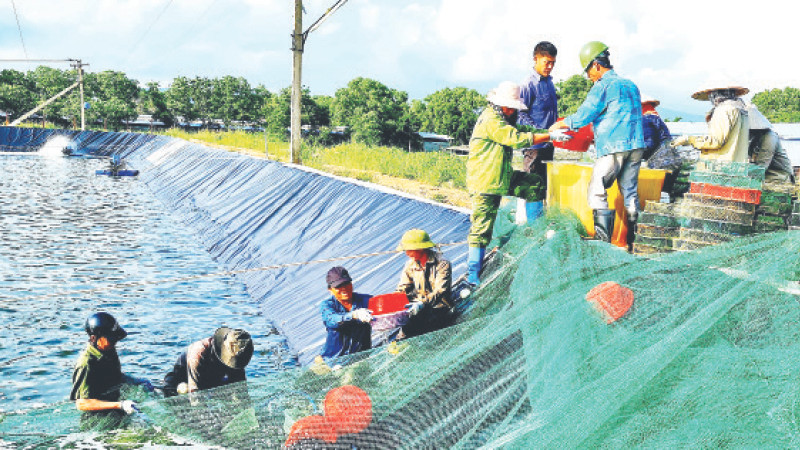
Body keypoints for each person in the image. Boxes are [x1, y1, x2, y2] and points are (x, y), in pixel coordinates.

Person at [466, 81, 564, 285]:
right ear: (498, 104)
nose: (512, 111)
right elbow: (515, 138)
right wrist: (548, 135)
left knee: (533, 183)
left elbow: (522, 128)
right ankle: (473, 274)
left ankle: (536, 233)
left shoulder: (504, 118)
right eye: (509, 107)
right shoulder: (491, 120)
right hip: (485, 182)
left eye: (513, 108)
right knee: (482, 227)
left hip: (501, 176)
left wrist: (548, 132)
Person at [550, 41, 645, 249]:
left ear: (596, 65)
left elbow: (584, 115)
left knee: (597, 190)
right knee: (629, 192)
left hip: (613, 146)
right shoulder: (631, 85)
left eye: (588, 72)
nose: (588, 77)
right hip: (636, 145)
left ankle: (603, 244)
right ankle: (633, 243)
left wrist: (560, 123)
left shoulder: (603, 85)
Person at [71, 312, 147, 428]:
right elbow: (82, 403)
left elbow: (114, 376)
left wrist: (135, 381)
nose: (115, 342)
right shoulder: (86, 363)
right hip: (95, 422)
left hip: (116, 412)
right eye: (111, 339)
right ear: (93, 338)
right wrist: (119, 405)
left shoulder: (108, 350)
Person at [516, 41, 559, 224]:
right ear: (536, 59)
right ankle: (532, 227)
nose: (549, 67)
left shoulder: (549, 83)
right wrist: (540, 132)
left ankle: (540, 222)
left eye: (553, 63)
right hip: (534, 145)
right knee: (533, 185)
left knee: (545, 186)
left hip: (549, 144)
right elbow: (520, 114)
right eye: (546, 62)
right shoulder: (528, 83)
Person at [163, 326, 254, 397]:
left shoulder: (238, 353)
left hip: (212, 381)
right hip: (183, 381)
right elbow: (194, 393)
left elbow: (241, 391)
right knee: (184, 389)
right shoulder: (199, 352)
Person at [395, 229, 453, 339]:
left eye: (409, 250)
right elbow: (403, 287)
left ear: (420, 248)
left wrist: (422, 303)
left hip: (439, 307)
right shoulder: (410, 264)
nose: (407, 253)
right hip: (418, 308)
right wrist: (395, 300)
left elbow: (440, 291)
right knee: (405, 332)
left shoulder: (442, 263)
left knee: (430, 332)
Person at [671, 85, 750, 163]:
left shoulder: (723, 110)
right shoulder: (741, 109)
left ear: (714, 95)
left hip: (720, 166)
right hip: (736, 165)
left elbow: (715, 141)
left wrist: (689, 139)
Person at [319, 266, 373, 360]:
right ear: (330, 290)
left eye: (346, 283)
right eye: (338, 286)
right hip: (333, 360)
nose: (344, 288)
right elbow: (331, 320)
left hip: (361, 358)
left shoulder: (366, 300)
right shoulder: (327, 305)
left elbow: (384, 307)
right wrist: (353, 315)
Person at [747, 103, 795, 183]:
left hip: (779, 177)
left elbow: (761, 167)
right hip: (768, 177)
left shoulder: (769, 137)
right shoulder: (755, 139)